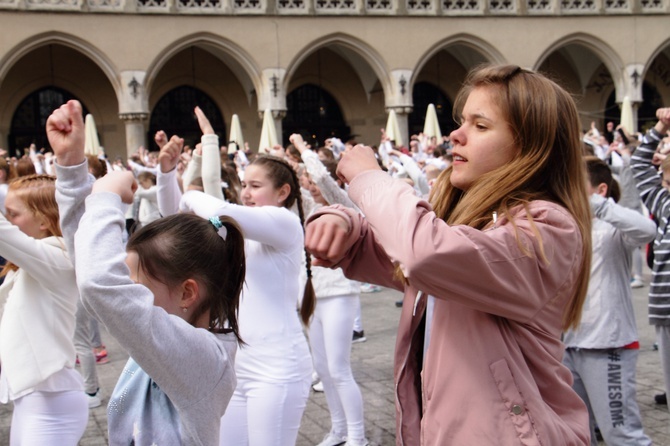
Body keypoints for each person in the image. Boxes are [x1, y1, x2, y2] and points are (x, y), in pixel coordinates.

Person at [304, 64, 592, 444]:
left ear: (527, 146)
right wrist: (343, 225)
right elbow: (399, 255)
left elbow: (423, 252)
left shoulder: (547, 228)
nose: (455, 135)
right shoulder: (472, 222)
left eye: (480, 125)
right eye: (461, 122)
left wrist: (369, 178)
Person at [47, 100, 245, 445]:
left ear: (186, 293)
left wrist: (106, 197)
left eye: (137, 280)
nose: (127, 287)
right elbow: (91, 270)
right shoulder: (166, 337)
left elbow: (100, 285)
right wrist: (70, 167)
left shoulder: (206, 359)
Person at [156, 107, 314, 446]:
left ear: (283, 192)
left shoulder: (284, 223)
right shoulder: (237, 232)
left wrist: (189, 188)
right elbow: (174, 220)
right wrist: (167, 174)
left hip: (279, 367)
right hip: (236, 367)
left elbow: (218, 210)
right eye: (244, 185)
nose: (245, 193)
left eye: (255, 186)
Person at [563, 156, 654, 445]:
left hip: (608, 345)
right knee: (575, 433)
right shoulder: (567, 226)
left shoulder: (614, 228)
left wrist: (599, 206)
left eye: (577, 185)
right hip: (568, 346)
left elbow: (647, 230)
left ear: (600, 190)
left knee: (621, 435)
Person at [290, 133, 368, 446]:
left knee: (338, 368)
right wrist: (294, 169)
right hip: (311, 296)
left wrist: (302, 149)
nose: (310, 185)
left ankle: (358, 436)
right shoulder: (309, 209)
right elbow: (297, 192)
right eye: (306, 181)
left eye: (312, 180)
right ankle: (338, 429)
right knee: (321, 368)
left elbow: (323, 178)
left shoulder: (346, 204)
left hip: (339, 294)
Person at [0, 174, 88, 444]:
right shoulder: (36, 263)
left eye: (12, 214)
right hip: (34, 400)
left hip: (51, 403)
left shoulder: (59, 258)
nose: (8, 221)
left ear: (43, 220)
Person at [630, 107, 670, 425]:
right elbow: (639, 165)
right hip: (666, 308)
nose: (664, 184)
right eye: (665, 180)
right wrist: (658, 128)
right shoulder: (665, 204)